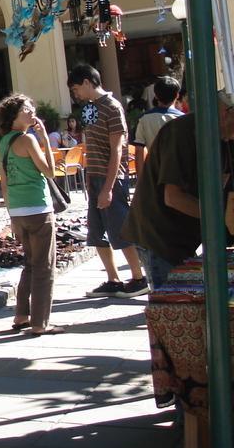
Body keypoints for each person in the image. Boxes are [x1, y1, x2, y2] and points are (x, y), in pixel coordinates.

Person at [123, 90, 234, 288]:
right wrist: (220, 217)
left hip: (185, 237)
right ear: (226, 113)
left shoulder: (225, 138)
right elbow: (173, 197)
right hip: (159, 236)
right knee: (172, 306)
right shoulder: (181, 132)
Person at [67, 63, 149, 297]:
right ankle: (113, 279)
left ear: (86, 82)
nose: (76, 94)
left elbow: (117, 150)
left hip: (110, 178)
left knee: (120, 230)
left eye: (75, 89)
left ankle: (138, 277)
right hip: (94, 176)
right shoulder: (89, 108)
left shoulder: (112, 107)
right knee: (97, 232)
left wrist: (109, 187)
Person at [0, 94, 62, 335]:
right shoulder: (28, 140)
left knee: (30, 264)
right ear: (14, 115)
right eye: (26, 108)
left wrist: (11, 213)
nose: (32, 110)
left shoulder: (3, 142)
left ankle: (21, 315)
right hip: (38, 208)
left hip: (18, 210)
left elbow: (3, 181)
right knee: (44, 267)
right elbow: (51, 172)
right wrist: (44, 139)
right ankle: (40, 323)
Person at [131, 76, 184, 176]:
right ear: (177, 95)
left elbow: (139, 150)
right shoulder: (182, 118)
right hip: (178, 172)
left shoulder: (144, 119)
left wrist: (141, 179)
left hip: (154, 172)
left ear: (156, 95)